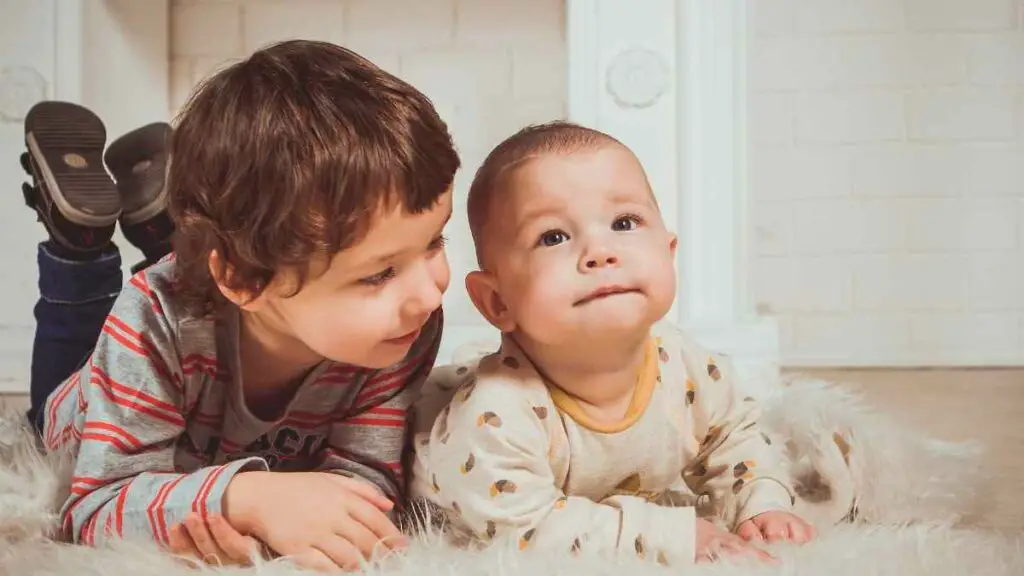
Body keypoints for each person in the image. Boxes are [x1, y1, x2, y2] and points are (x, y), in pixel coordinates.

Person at [20, 39, 459, 572]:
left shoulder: (400, 332)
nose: (430, 292)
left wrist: (313, 512)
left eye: (435, 242)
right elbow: (93, 509)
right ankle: (78, 243)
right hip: (84, 408)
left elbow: (367, 480)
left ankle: (169, 228)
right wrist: (244, 498)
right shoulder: (151, 321)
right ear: (246, 280)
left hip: (209, 306)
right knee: (52, 396)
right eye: (379, 273)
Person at [408, 122, 815, 566]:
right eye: (553, 237)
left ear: (668, 250)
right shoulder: (494, 415)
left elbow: (735, 439)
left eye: (625, 223)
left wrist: (761, 503)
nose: (600, 252)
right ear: (497, 301)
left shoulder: (687, 366)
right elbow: (521, 528)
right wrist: (666, 534)